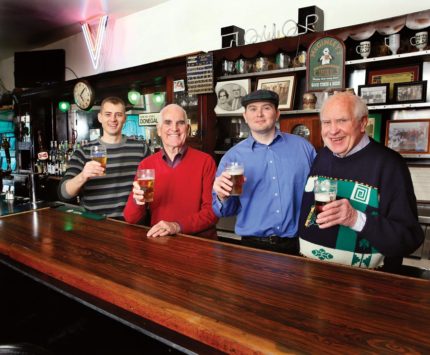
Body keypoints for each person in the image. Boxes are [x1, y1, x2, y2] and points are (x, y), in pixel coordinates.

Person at [298, 92, 424, 271]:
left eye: (342, 120)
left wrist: (355, 218)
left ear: (363, 123)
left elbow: (408, 239)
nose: (333, 130)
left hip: (366, 287)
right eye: (327, 122)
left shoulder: (389, 164)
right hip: (312, 277)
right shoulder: (321, 156)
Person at [212, 90, 316, 254]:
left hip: (298, 246)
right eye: (252, 109)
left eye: (266, 108)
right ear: (245, 116)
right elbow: (225, 211)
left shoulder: (303, 148)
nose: (259, 114)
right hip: (252, 248)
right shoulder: (232, 157)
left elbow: (318, 194)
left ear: (277, 113)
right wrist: (221, 197)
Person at [124, 104, 218, 239]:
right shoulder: (147, 165)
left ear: (187, 128)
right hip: (160, 241)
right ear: (159, 130)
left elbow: (212, 213)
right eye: (168, 123)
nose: (174, 128)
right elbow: (131, 219)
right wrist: (137, 201)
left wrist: (177, 226)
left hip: (199, 243)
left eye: (180, 123)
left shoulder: (205, 162)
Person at [59, 97, 149, 219]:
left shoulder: (141, 149)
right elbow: (64, 194)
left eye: (118, 115)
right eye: (108, 114)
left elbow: (151, 187)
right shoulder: (83, 151)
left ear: (125, 118)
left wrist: (144, 192)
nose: (113, 119)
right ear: (100, 117)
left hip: (131, 224)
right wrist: (83, 176)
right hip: (95, 224)